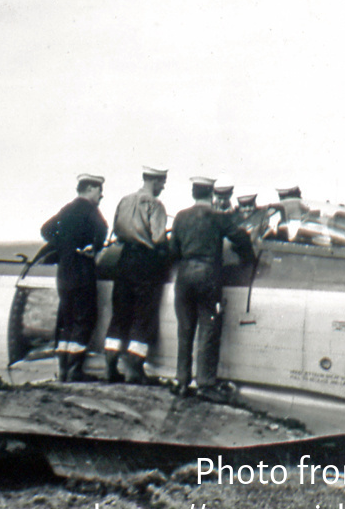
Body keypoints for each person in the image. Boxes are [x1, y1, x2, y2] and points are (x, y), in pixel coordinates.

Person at [169, 176, 255, 399]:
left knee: (185, 329)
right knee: (208, 329)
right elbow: (241, 237)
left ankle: (181, 381)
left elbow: (173, 251)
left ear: (193, 193)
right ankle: (205, 384)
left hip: (184, 277)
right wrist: (248, 258)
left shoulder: (180, 216)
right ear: (212, 195)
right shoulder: (218, 217)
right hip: (208, 277)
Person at [104, 166, 169, 384]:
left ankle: (111, 365)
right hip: (145, 262)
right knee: (143, 315)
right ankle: (135, 369)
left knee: (119, 314)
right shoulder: (156, 205)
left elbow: (117, 231)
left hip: (123, 260)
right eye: (163, 182)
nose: (163, 186)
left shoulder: (124, 201)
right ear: (156, 181)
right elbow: (159, 238)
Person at [40, 174, 108, 382]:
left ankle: (63, 369)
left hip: (64, 271)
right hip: (82, 270)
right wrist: (93, 247)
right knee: (85, 317)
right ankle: (75, 370)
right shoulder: (90, 210)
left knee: (67, 318)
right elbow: (103, 230)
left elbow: (46, 230)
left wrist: (64, 245)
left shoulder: (67, 209)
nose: (101, 195)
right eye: (99, 190)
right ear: (89, 189)